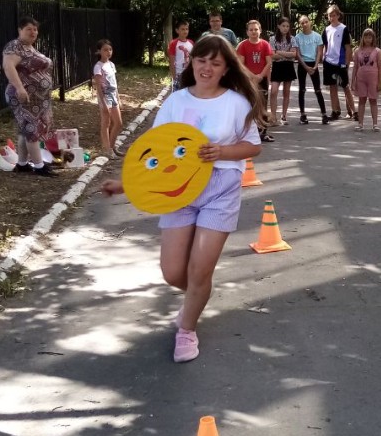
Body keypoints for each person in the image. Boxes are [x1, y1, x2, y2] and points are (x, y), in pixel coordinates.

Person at [102, 35, 263, 363]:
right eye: (202, 60)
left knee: (200, 269)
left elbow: (253, 146)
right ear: (192, 62)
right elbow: (156, 154)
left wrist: (223, 151)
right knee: (174, 272)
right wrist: (125, 185)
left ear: (225, 69)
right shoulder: (175, 102)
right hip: (178, 189)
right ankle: (199, 292)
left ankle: (186, 329)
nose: (207, 68)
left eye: (215, 63)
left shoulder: (236, 102)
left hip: (220, 187)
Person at [1, 16, 55, 176]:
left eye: (35, 29)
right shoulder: (15, 46)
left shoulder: (30, 48)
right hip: (24, 96)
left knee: (25, 130)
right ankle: (39, 166)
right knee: (31, 129)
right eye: (28, 29)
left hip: (37, 98)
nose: (33, 32)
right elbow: (8, 66)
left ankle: (23, 164)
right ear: (20, 30)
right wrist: (19, 88)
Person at [237, 19, 274, 142]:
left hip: (262, 79)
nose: (254, 32)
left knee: (263, 105)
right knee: (248, 105)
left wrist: (260, 75)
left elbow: (269, 62)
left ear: (260, 31)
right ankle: (247, 132)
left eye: (256, 29)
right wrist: (252, 76)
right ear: (247, 32)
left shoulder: (265, 44)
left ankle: (263, 132)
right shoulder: (243, 45)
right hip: (248, 80)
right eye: (251, 30)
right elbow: (241, 64)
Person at [321, 5, 357, 121]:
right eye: (330, 15)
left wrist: (347, 62)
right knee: (332, 87)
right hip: (329, 61)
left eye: (334, 15)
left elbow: (347, 47)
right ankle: (335, 110)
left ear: (338, 15)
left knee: (345, 86)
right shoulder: (326, 30)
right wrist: (324, 58)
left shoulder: (343, 29)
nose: (332, 17)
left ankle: (355, 111)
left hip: (340, 61)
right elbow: (325, 46)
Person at [294, 14, 329, 124]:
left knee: (318, 89)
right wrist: (305, 66)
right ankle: (303, 114)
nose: (304, 24)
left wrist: (315, 65)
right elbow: (297, 54)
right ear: (300, 25)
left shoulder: (317, 36)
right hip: (303, 64)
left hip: (313, 63)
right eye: (302, 23)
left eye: (306, 22)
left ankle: (324, 114)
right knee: (302, 89)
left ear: (310, 22)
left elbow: (319, 51)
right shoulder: (298, 37)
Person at [93, 39, 123, 156]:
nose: (108, 52)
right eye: (105, 50)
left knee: (118, 123)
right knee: (106, 123)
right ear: (99, 51)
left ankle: (111, 146)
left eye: (110, 49)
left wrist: (119, 99)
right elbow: (99, 87)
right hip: (105, 96)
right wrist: (104, 102)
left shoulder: (111, 64)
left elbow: (114, 83)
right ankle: (107, 149)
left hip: (113, 95)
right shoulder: (98, 67)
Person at [351, 28, 381, 132]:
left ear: (373, 38)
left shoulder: (377, 51)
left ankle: (375, 124)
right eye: (366, 37)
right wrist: (353, 81)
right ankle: (360, 124)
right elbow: (355, 67)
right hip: (361, 78)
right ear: (363, 38)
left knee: (373, 100)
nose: (368, 39)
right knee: (362, 100)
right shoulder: (357, 51)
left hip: (373, 79)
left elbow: (380, 67)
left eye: (370, 37)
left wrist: (380, 81)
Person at [268, 16, 298, 125]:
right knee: (274, 91)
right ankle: (273, 116)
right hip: (277, 66)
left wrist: (280, 52)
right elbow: (272, 55)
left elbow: (294, 55)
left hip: (288, 66)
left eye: (287, 26)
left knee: (286, 92)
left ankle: (284, 116)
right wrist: (285, 54)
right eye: (283, 26)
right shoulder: (272, 39)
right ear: (278, 26)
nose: (285, 28)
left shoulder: (292, 39)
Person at [167, 20, 194, 91]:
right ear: (177, 30)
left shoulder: (191, 43)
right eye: (182, 29)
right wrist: (174, 77)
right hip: (178, 74)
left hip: (189, 74)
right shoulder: (174, 43)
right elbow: (171, 62)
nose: (185, 31)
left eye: (186, 29)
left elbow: (192, 58)